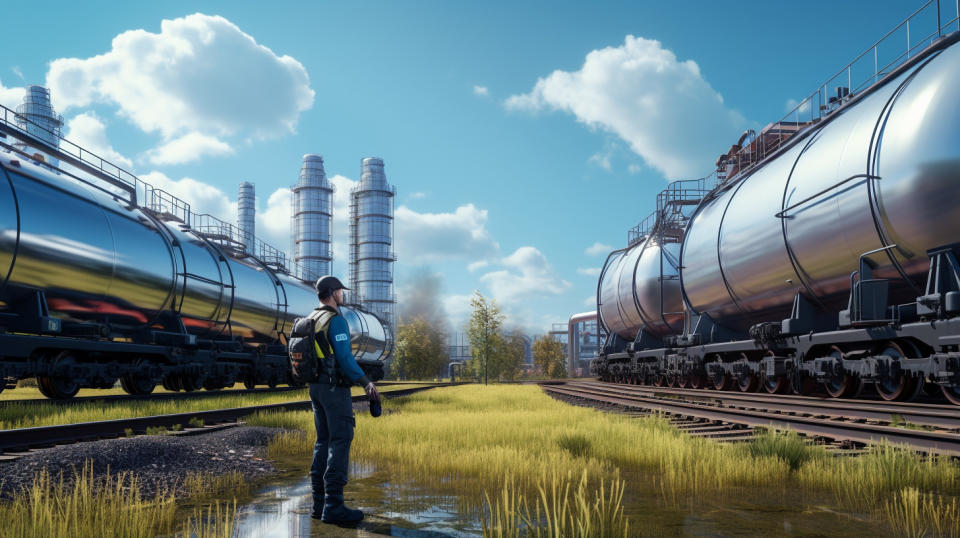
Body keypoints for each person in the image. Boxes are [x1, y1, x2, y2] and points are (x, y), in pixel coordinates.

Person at [308, 275, 380, 523]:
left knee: (323, 441)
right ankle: (334, 507)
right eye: (340, 291)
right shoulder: (335, 321)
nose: (343, 295)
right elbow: (345, 358)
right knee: (341, 439)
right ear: (331, 293)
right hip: (334, 389)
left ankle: (318, 505)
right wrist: (366, 382)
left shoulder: (312, 318)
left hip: (315, 388)